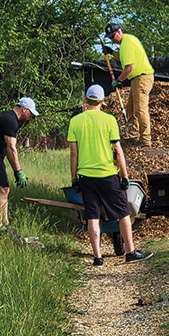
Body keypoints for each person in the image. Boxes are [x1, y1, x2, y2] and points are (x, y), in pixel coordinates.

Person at [67, 84, 153, 266]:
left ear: (86, 100)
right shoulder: (109, 120)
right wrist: (125, 175)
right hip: (107, 175)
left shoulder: (75, 121)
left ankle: (97, 257)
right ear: (102, 101)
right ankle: (130, 252)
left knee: (92, 215)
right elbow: (118, 151)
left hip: (86, 177)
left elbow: (73, 153)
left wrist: (74, 178)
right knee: (123, 213)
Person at [0, 97, 38, 230]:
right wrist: (18, 171)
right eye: (31, 113)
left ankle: (6, 224)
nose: (31, 116)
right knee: (3, 189)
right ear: (24, 109)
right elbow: (11, 147)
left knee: (5, 189)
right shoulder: (10, 120)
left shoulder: (8, 117)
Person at [103, 23, 155, 146]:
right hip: (137, 79)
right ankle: (133, 134)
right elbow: (124, 57)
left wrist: (119, 80)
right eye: (110, 38)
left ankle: (146, 141)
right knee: (130, 109)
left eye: (113, 36)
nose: (112, 39)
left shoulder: (126, 43)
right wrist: (111, 52)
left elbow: (129, 68)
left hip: (142, 78)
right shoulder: (128, 41)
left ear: (119, 32)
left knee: (140, 110)